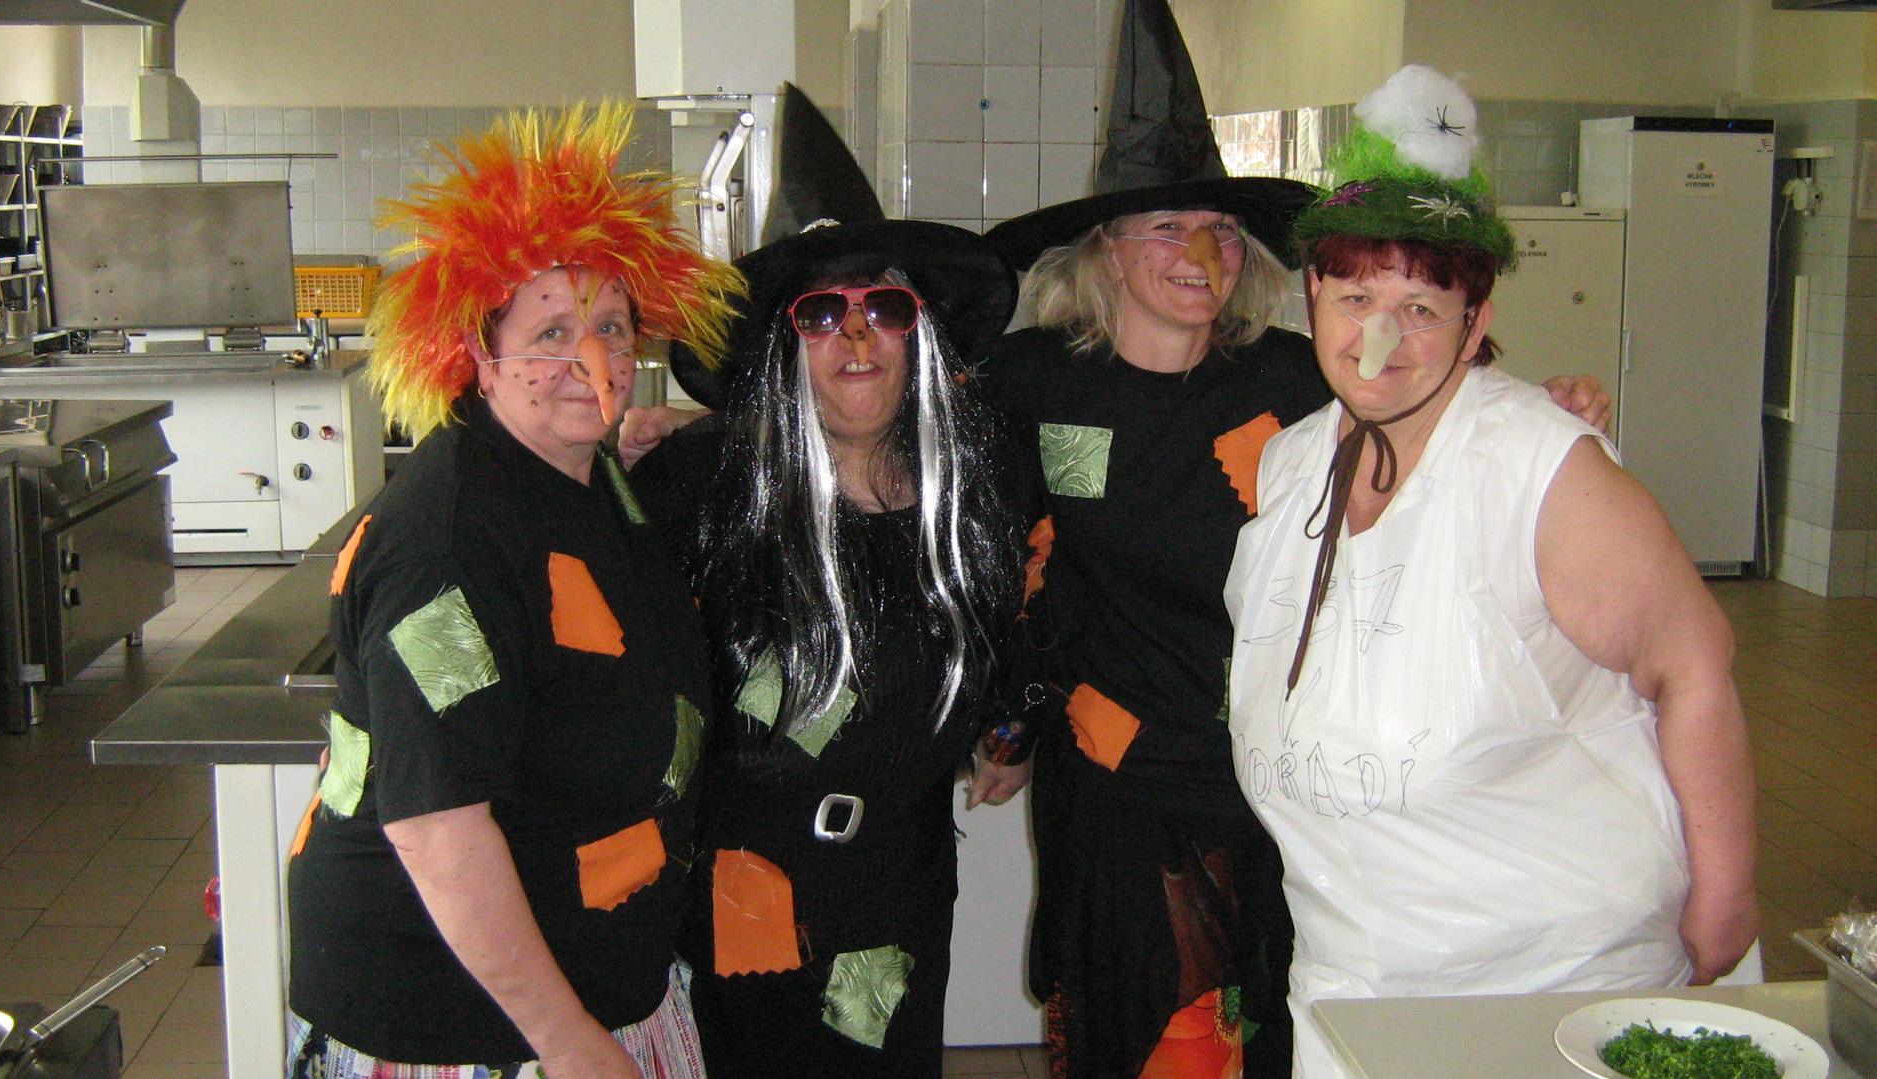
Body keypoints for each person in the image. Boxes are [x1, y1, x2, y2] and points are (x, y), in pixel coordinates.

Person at [976, 6, 1611, 1077]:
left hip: (1281, 776)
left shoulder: (1291, 375)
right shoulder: (1033, 382)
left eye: (1222, 230)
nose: (1202, 252)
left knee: (1271, 1024)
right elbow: (969, 529)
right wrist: (1007, 721)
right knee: (1143, 1034)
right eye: (1166, 227)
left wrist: (1547, 410)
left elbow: (1436, 405)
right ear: (1108, 248)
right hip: (1120, 781)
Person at [1223, 66, 1758, 1079]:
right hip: (1353, 976)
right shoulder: (1292, 463)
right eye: (1356, 297)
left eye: (1422, 307)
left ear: (1476, 320)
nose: (1379, 338)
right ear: (1313, 298)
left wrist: (1725, 896)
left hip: (1548, 987)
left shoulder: (1539, 470)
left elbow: (1694, 664)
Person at [283, 102, 743, 1079]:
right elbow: (436, 823)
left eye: (610, 326)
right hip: (471, 1024)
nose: (591, 360)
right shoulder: (446, 546)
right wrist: (567, 1040)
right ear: (479, 355)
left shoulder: (585, 471)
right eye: (550, 333)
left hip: (599, 977)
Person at [627, 85, 1029, 1078]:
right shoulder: (701, 483)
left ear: (917, 333)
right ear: (783, 343)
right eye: (821, 314)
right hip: (743, 890)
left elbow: (1023, 619)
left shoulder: (971, 487)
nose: (857, 338)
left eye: (884, 308)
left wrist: (1012, 724)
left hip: (897, 892)